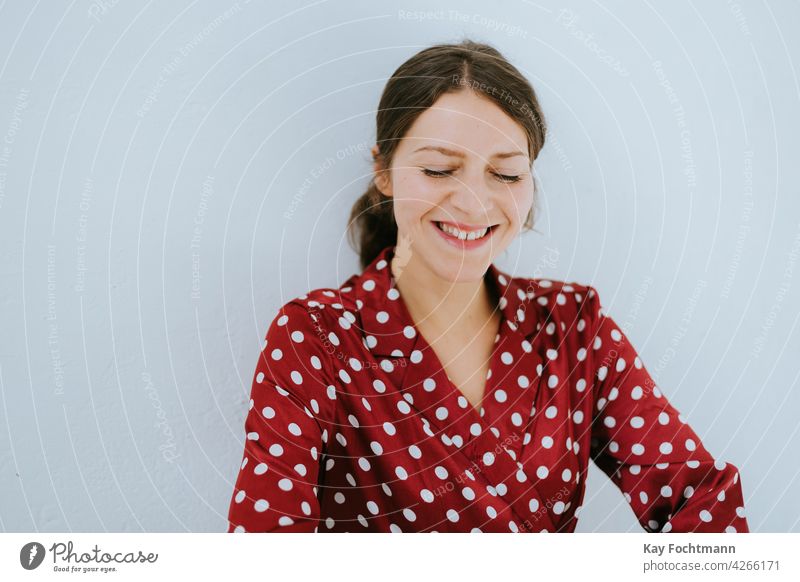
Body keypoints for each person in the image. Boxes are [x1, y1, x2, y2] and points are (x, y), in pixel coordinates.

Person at [227, 40, 749, 533]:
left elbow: (700, 499)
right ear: (384, 171)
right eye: (438, 169)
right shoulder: (314, 339)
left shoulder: (572, 328)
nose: (473, 203)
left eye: (505, 175)